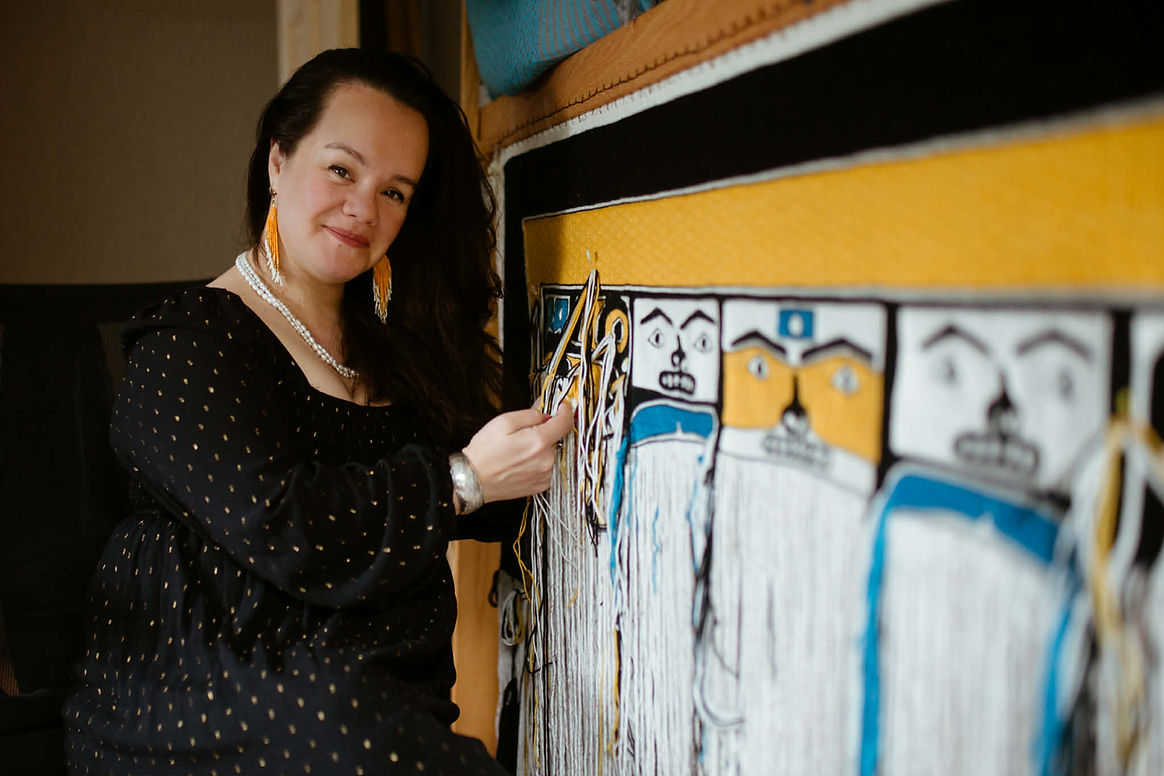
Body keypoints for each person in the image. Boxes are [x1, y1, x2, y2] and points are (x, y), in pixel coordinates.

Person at [63, 48, 572, 774]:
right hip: (193, 700)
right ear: (277, 162)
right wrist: (460, 480)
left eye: (396, 191)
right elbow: (285, 525)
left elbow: (490, 483)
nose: (364, 207)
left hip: (366, 693)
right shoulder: (187, 345)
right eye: (342, 169)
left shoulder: (395, 345)